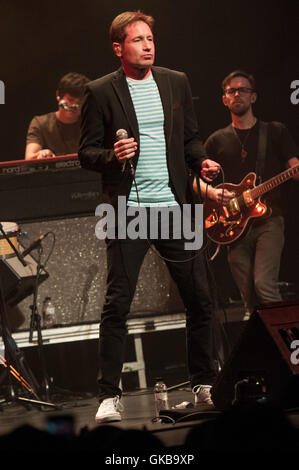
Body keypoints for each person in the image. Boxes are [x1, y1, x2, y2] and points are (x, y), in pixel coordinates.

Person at [78, 10, 221, 423]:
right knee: (117, 303)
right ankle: (109, 396)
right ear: (118, 47)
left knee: (200, 298)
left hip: (174, 208)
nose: (147, 45)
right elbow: (87, 152)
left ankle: (204, 384)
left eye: (150, 38)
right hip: (127, 211)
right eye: (138, 39)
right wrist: (113, 155)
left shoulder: (176, 81)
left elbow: (189, 139)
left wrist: (203, 162)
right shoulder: (101, 90)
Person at [202, 70, 299, 320]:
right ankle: (264, 350)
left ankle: (288, 348)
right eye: (231, 90)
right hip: (233, 226)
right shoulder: (216, 140)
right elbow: (196, 181)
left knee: (264, 286)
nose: (237, 94)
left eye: (243, 90)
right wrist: (212, 193)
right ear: (224, 99)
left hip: (269, 221)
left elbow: (294, 168)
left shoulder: (275, 131)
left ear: (254, 97)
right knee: (249, 298)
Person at [25, 72, 90, 160]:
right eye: (70, 100)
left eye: (80, 102)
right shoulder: (40, 123)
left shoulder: (90, 123)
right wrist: (41, 154)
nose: (75, 105)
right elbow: (29, 159)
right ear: (58, 95)